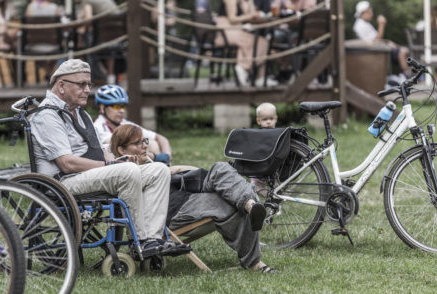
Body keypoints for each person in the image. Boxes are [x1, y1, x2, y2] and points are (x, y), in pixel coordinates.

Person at [29, 59, 190, 258]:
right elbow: (67, 163)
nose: (87, 90)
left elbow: (101, 152)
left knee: (158, 170)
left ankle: (152, 239)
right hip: (63, 182)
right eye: (81, 84)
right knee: (126, 171)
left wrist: (122, 158)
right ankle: (140, 240)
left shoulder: (81, 114)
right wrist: (111, 165)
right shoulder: (47, 116)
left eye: (89, 84)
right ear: (61, 86)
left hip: (90, 174)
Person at [110, 123, 275, 272]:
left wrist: (181, 169)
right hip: (174, 210)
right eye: (137, 143)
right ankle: (254, 262)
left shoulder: (148, 163)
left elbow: (175, 171)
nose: (144, 146)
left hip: (188, 192)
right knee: (229, 204)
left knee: (220, 168)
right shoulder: (124, 173)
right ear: (122, 150)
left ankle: (250, 204)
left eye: (144, 141)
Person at [93, 84, 172, 164]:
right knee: (147, 144)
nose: (122, 110)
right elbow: (119, 144)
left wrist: (167, 155)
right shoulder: (97, 127)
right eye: (117, 106)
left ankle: (166, 168)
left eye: (123, 106)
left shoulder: (124, 123)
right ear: (102, 107)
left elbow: (160, 138)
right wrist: (155, 157)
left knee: (152, 143)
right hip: (117, 165)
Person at [215, 0, 278, 87]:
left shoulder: (240, 2)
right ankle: (245, 68)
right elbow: (232, 19)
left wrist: (250, 2)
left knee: (255, 43)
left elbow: (250, 13)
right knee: (261, 42)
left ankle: (256, 75)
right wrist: (249, 15)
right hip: (227, 32)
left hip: (236, 30)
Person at [352, 1, 409, 73]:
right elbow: (376, 40)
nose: (372, 14)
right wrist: (381, 24)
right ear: (364, 12)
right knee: (403, 52)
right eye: (370, 12)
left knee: (404, 50)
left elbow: (376, 39)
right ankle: (407, 76)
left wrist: (389, 42)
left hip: (380, 49)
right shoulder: (360, 25)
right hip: (376, 52)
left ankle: (407, 76)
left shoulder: (364, 23)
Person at [75, 0, 119, 84]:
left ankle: (86, 78)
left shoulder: (86, 2)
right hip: (115, 37)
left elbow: (88, 19)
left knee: (82, 45)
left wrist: (82, 23)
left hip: (102, 38)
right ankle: (110, 77)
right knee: (107, 50)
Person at [252, 102, 278, 197]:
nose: (268, 122)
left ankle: (275, 200)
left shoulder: (279, 135)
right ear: (258, 121)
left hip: (275, 171)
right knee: (256, 188)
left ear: (276, 119)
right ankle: (268, 197)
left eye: (271, 119)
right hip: (258, 171)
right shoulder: (256, 135)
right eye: (265, 119)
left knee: (277, 189)